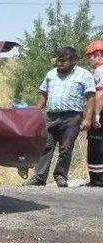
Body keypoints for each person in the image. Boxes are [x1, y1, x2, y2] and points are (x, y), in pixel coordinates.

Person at [25, 46, 96, 187]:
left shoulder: (84, 75)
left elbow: (90, 97)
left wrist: (88, 119)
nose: (59, 63)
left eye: (63, 61)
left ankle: (60, 176)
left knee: (66, 148)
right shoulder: (51, 73)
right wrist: (36, 112)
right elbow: (43, 92)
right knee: (45, 146)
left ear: (74, 60)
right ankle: (39, 177)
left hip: (72, 117)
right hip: (50, 116)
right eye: (58, 60)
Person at [85, 40, 103, 186]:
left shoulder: (100, 70)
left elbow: (100, 93)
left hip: (101, 111)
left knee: (96, 142)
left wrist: (96, 115)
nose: (89, 60)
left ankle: (98, 178)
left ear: (98, 55)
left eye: (90, 56)